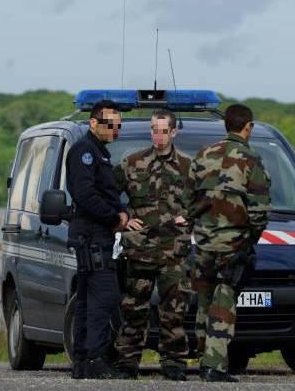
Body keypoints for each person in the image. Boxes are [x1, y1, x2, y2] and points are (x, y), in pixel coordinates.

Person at [112, 109, 195, 381]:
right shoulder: (133, 163)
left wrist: (190, 216)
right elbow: (106, 192)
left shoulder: (188, 166)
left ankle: (174, 363)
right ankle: (127, 362)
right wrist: (122, 218)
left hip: (174, 251)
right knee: (134, 308)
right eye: (153, 130)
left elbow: (207, 200)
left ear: (174, 132)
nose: (157, 136)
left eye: (163, 131)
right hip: (140, 250)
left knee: (174, 311)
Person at [192, 104, 271, 382]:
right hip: (232, 244)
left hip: (203, 243)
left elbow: (188, 200)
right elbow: (260, 210)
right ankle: (213, 365)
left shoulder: (203, 155)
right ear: (248, 127)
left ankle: (203, 357)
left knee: (204, 301)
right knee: (223, 302)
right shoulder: (251, 159)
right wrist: (250, 241)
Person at [66, 99, 129, 379]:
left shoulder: (98, 151)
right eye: (109, 124)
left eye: (118, 125)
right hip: (92, 235)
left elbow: (105, 191)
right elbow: (85, 195)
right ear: (93, 123)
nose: (115, 129)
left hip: (94, 235)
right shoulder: (85, 152)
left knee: (88, 300)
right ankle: (94, 358)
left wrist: (121, 209)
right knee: (104, 297)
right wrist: (114, 217)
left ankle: (83, 361)